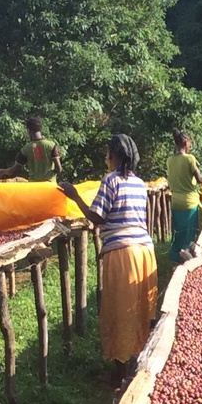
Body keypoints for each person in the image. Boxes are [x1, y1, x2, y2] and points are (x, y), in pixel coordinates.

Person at [58, 134, 158, 382]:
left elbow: (97, 217)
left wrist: (74, 196)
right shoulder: (139, 183)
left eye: (107, 154)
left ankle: (119, 375)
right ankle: (137, 364)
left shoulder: (111, 181)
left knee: (120, 311)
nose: (106, 159)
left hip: (123, 254)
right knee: (141, 311)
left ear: (114, 156)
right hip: (145, 252)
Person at [166, 129, 202, 264]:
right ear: (185, 143)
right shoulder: (189, 159)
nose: (190, 145)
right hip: (189, 202)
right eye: (189, 142)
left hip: (176, 201)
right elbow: (200, 179)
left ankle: (175, 260)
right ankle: (187, 262)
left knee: (178, 233)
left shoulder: (170, 160)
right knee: (189, 235)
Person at [4, 116, 62, 182]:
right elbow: (59, 168)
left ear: (29, 130)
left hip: (34, 186)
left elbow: (15, 171)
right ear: (40, 129)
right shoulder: (51, 145)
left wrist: (2, 171)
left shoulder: (25, 149)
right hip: (49, 186)